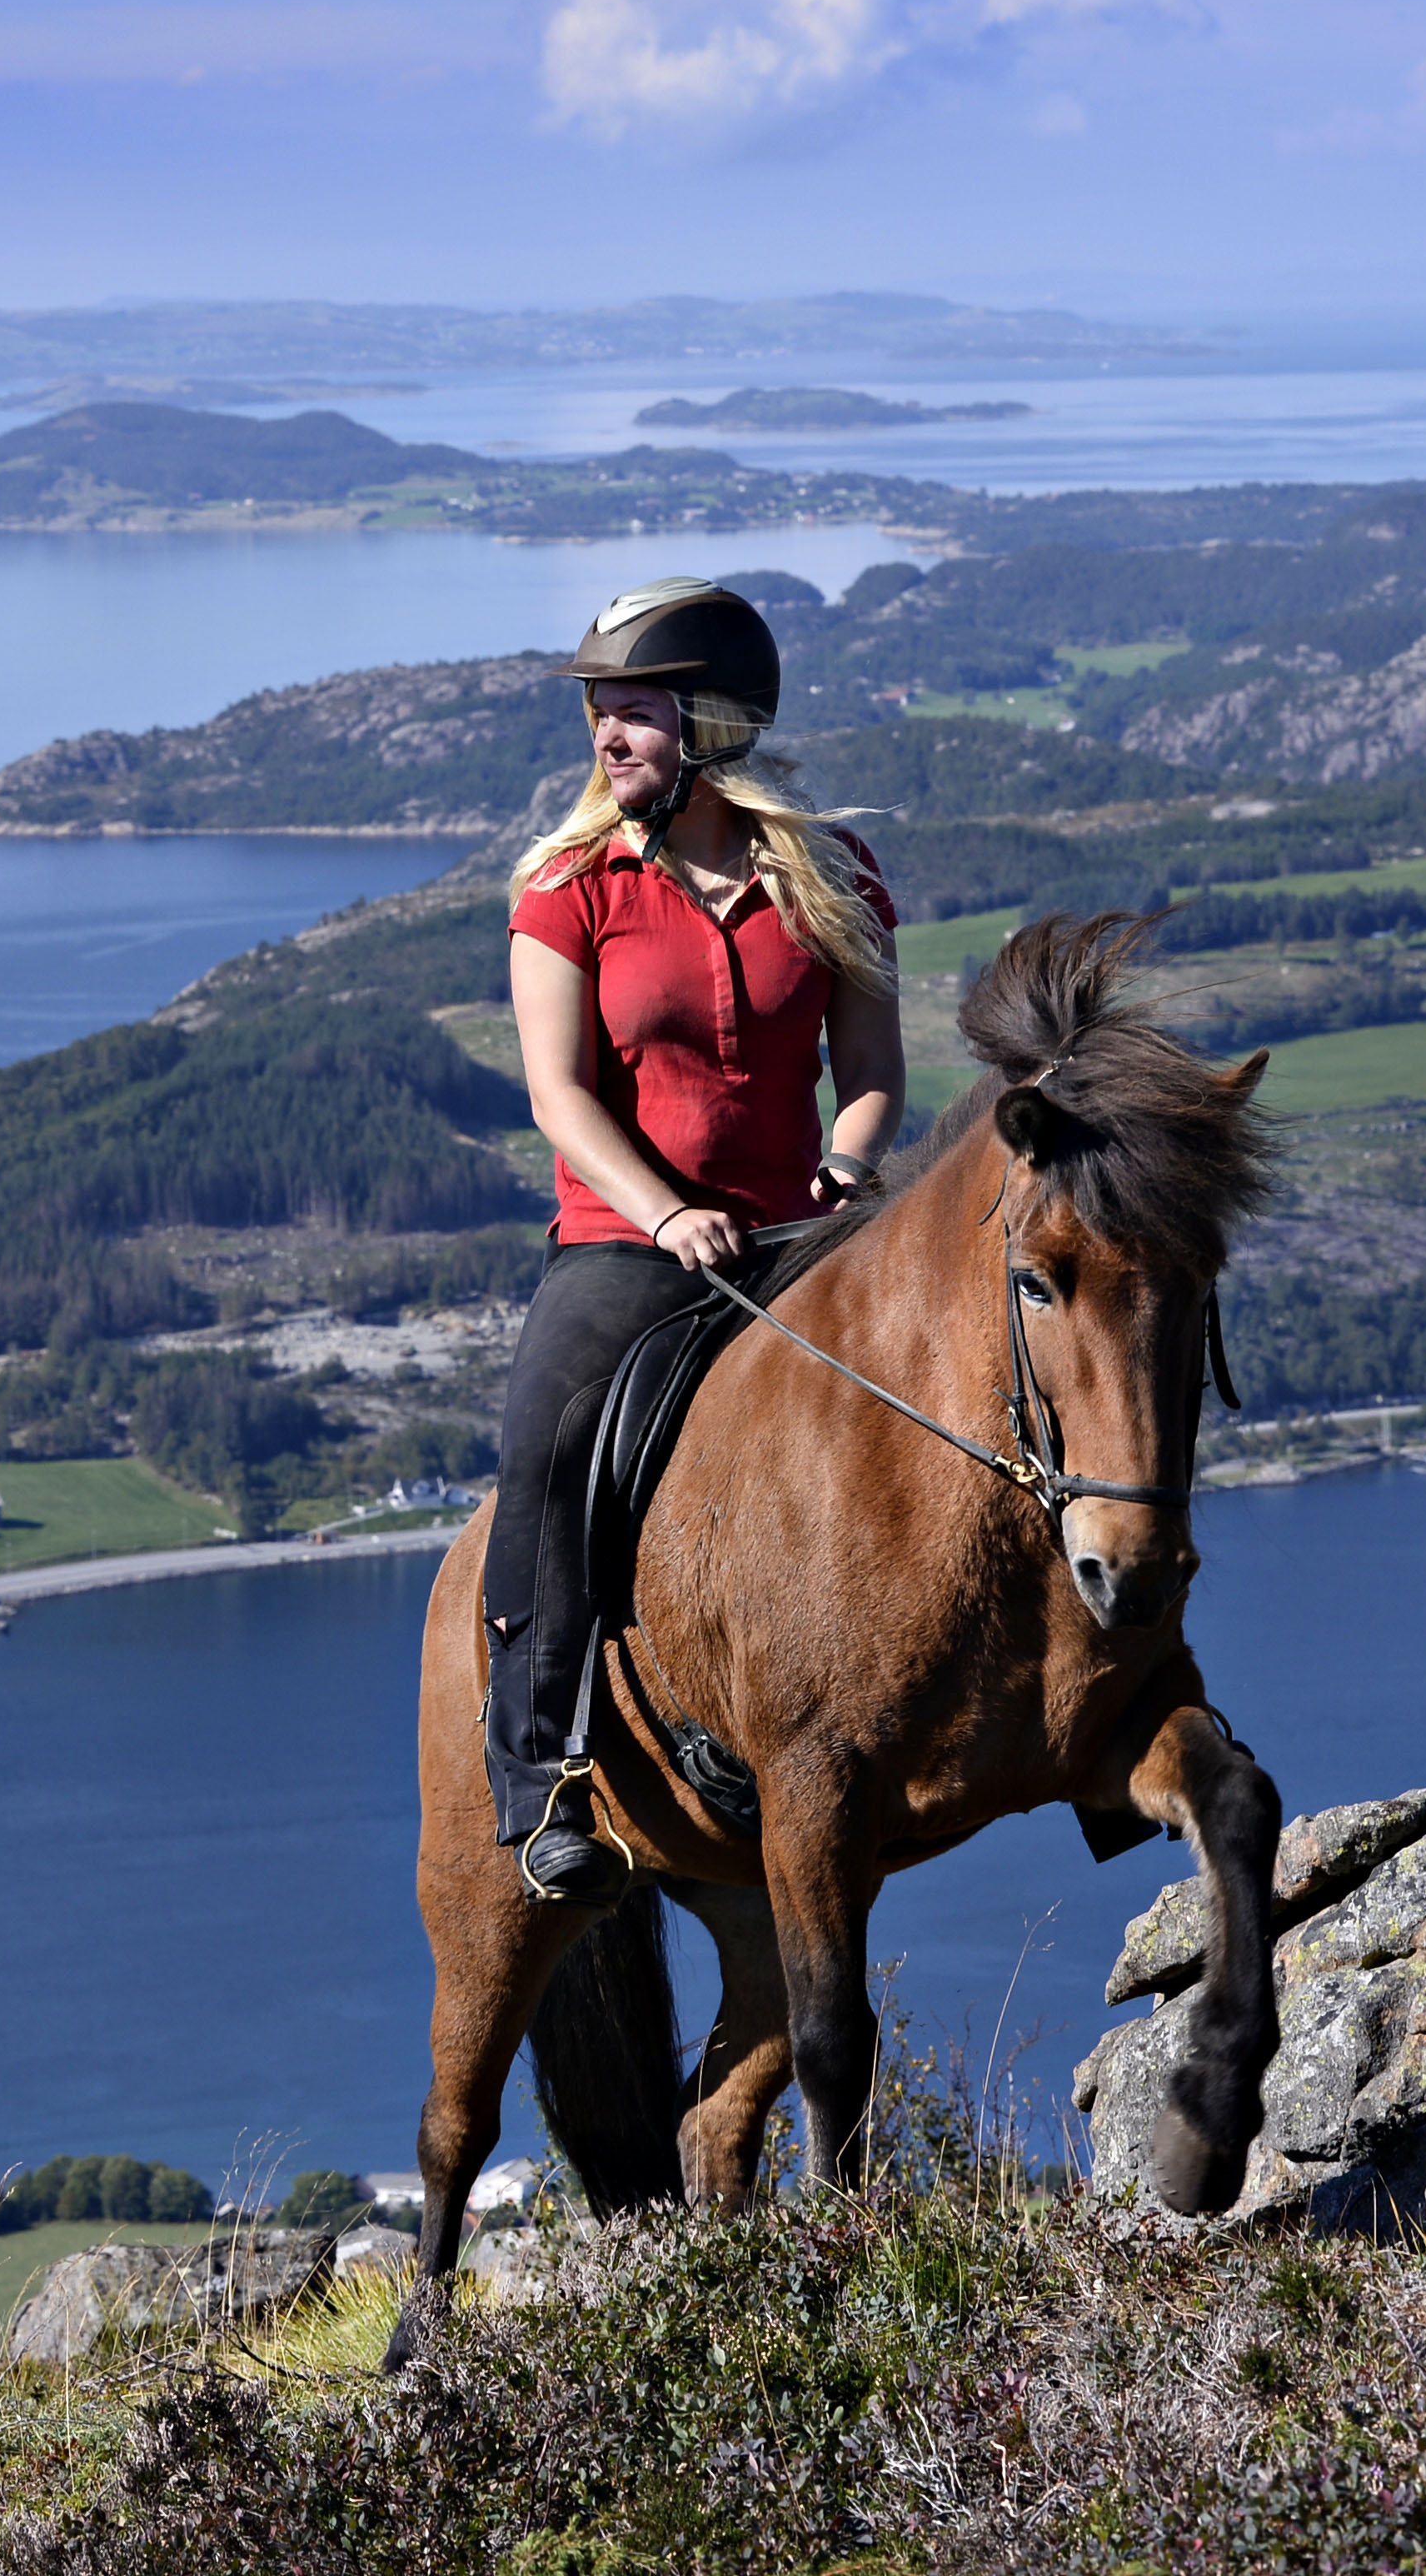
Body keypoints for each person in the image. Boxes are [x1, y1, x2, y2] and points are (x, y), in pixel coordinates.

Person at [484, 576, 905, 1903]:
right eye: (600, 716)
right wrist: (667, 1212)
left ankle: (1076, 1708)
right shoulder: (568, 886)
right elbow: (559, 1097)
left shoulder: (830, 874)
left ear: (713, 727)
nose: (607, 739)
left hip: (798, 1232)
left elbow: (875, 1069)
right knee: (546, 1445)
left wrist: (847, 1165)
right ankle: (545, 1777)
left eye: (635, 717)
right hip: (625, 1239)